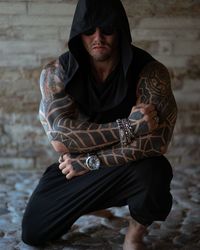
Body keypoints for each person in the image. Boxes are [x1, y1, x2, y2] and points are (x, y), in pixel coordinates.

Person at [21, 0, 177, 249]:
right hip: (76, 167)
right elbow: (62, 140)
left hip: (120, 167)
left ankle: (134, 235)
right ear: (78, 34)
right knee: (33, 232)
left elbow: (157, 142)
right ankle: (92, 205)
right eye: (89, 31)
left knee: (156, 171)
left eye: (107, 30)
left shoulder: (150, 72)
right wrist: (130, 126)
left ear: (120, 31)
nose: (98, 37)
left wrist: (90, 161)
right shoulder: (57, 72)